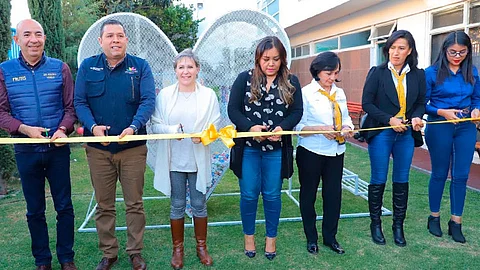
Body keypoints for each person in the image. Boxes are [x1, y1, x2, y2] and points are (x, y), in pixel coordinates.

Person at [74, 19, 155, 270]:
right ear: (100, 41)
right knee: (104, 204)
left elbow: (148, 100)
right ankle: (109, 253)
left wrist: (133, 127)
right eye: (110, 36)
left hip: (132, 148)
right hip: (99, 150)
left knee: (135, 204)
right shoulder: (88, 67)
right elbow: (80, 102)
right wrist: (92, 128)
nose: (115, 40)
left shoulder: (140, 67)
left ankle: (135, 252)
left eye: (120, 36)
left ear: (126, 40)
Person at [0, 19, 77, 270]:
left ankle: (67, 258)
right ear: (17, 40)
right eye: (27, 34)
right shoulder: (4, 71)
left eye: (38, 34)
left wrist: (63, 129)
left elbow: (70, 107)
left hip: (57, 151)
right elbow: (2, 113)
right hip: (26, 151)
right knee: (34, 210)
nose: (33, 39)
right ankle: (42, 261)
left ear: (44, 38)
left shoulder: (60, 68)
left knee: (64, 206)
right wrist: (24, 130)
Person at [228, 36, 303, 260]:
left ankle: (271, 239)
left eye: (276, 59)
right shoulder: (244, 79)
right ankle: (248, 237)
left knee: (272, 195)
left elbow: (297, 112)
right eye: (266, 58)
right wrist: (250, 127)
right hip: (249, 149)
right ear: (258, 59)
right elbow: (233, 110)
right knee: (249, 194)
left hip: (277, 150)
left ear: (282, 60)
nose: (270, 63)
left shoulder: (292, 81)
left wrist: (283, 128)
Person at [150, 49, 220, 269]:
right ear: (175, 71)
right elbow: (155, 124)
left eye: (190, 66)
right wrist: (172, 130)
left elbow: (216, 123)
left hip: (197, 157)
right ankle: (177, 250)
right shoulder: (165, 95)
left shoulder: (208, 95)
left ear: (197, 69)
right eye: (181, 67)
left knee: (199, 204)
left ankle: (201, 247)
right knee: (177, 204)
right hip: (173, 160)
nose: (186, 71)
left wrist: (204, 136)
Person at [362, 30, 426, 247]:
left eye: (401, 48)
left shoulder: (418, 74)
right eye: (392, 47)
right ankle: (376, 224)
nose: (395, 52)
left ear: (409, 51)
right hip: (382, 131)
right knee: (378, 177)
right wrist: (389, 120)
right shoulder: (377, 72)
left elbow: (421, 101)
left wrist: (416, 116)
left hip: (406, 133)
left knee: (401, 178)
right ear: (387, 49)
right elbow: (367, 104)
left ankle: (398, 226)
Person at [294, 52, 354, 255]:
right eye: (328, 73)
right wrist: (321, 129)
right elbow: (298, 127)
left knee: (333, 196)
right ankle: (311, 238)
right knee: (308, 195)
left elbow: (347, 119)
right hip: (311, 151)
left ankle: (330, 237)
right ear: (317, 71)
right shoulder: (305, 93)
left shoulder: (340, 93)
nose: (332, 78)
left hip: (336, 152)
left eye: (336, 73)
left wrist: (346, 128)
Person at [424, 31, 480, 243]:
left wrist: (476, 110)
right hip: (440, 125)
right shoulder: (431, 73)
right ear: (444, 50)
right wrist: (441, 112)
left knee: (461, 175)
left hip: (465, 127)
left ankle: (456, 221)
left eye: (462, 52)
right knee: (439, 173)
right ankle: (434, 217)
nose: (457, 56)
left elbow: (477, 98)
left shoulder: (472, 72)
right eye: (452, 52)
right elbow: (423, 103)